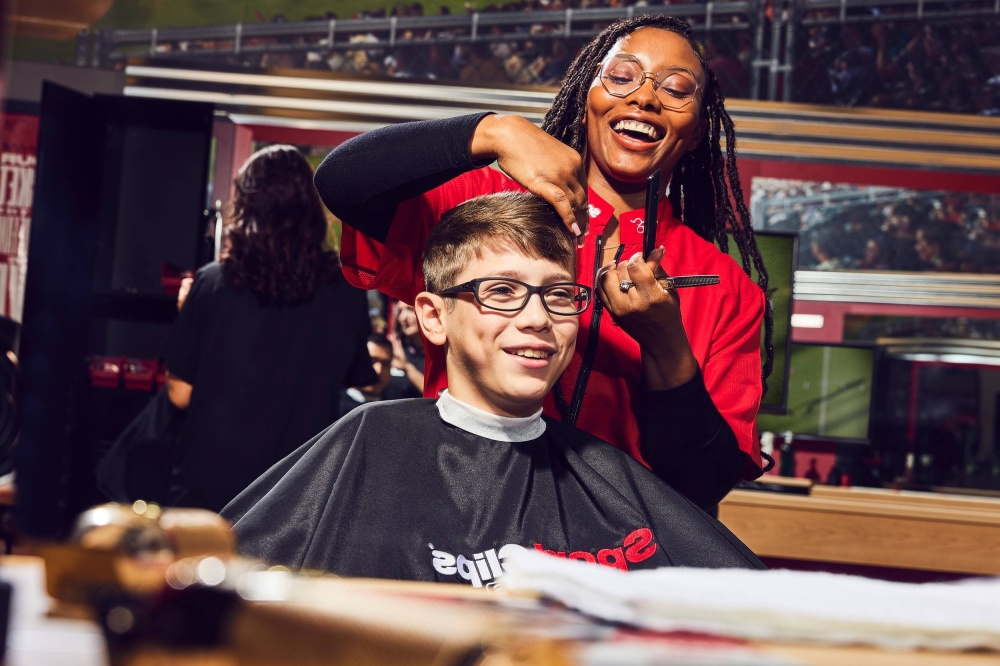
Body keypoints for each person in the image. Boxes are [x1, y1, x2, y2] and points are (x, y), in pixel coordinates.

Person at [313, 16, 771, 510]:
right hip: (459, 517)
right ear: (586, 94)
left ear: (698, 129)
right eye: (621, 76)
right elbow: (343, 182)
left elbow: (703, 486)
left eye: (676, 88)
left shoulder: (727, 289)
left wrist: (668, 349)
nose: (644, 98)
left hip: (616, 561)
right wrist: (491, 131)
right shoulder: (484, 204)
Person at [223, 193, 764, 582]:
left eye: (558, 295)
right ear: (433, 317)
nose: (536, 318)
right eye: (501, 291)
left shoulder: (611, 479)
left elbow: (748, 603)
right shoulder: (367, 442)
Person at [163, 145, 376, 513]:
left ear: (245, 207)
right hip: (300, 487)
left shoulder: (212, 283)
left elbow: (180, 394)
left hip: (211, 488)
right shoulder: (345, 290)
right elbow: (359, 380)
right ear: (312, 209)